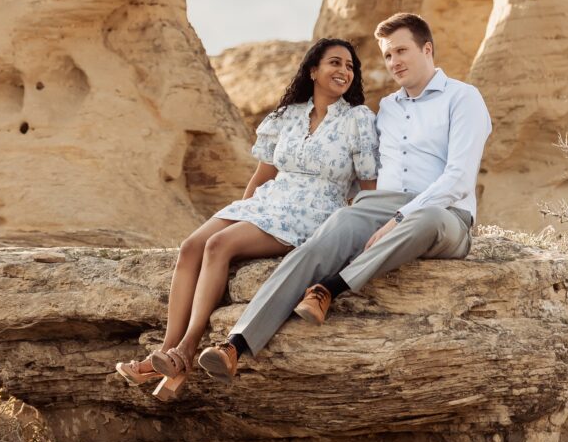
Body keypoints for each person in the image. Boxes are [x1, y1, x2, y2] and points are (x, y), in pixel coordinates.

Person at [197, 12, 491, 380]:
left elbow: (458, 178)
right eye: (387, 55)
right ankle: (235, 345)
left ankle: (330, 289)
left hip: (445, 215)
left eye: (401, 50)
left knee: (424, 219)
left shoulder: (463, 98)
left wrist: (399, 219)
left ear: (427, 49)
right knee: (324, 240)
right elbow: (358, 166)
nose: (394, 61)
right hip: (381, 206)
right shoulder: (387, 109)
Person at [115, 38, 378, 400]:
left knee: (219, 245)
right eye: (335, 63)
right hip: (268, 202)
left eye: (350, 67)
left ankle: (186, 350)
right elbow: (263, 175)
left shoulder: (358, 120)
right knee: (193, 246)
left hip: (313, 211)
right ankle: (164, 349)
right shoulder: (287, 116)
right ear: (313, 70)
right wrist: (242, 211)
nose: (344, 71)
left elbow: (370, 186)